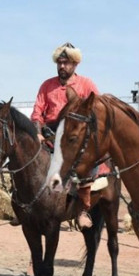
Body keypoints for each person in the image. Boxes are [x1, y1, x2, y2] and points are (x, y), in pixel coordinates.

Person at [31, 42, 100, 229]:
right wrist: (37, 133)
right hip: (50, 133)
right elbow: (37, 112)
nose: (62, 66)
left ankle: (81, 210)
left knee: (85, 164)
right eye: (59, 62)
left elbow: (96, 111)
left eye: (66, 62)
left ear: (75, 64)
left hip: (75, 135)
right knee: (26, 159)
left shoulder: (87, 84)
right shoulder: (47, 85)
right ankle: (25, 207)